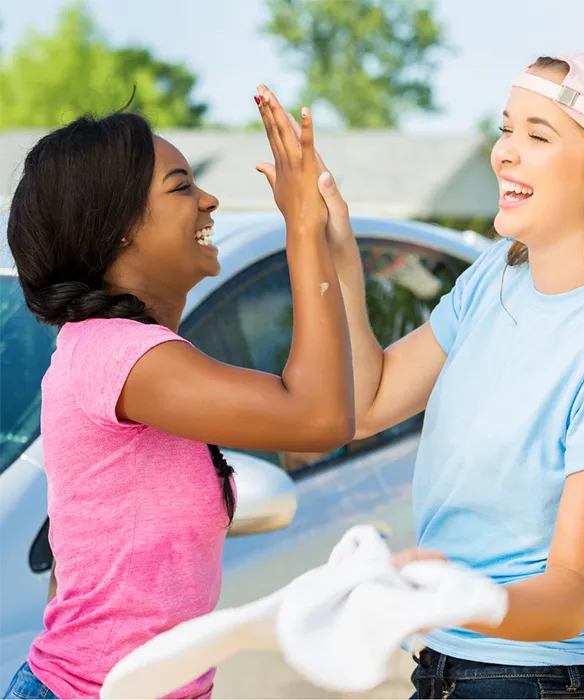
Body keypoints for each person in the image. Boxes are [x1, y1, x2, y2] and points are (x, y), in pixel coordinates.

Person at [259, 53, 584, 699]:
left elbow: (571, 597)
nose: (505, 154)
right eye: (506, 128)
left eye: (538, 135)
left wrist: (438, 597)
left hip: (540, 683)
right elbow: (370, 401)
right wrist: (340, 252)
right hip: (441, 671)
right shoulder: (498, 274)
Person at [2, 92, 353, 699]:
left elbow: (74, 565)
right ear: (116, 231)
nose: (209, 201)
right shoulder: (116, 353)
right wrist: (301, 230)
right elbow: (319, 417)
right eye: (181, 186)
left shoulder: (119, 354)